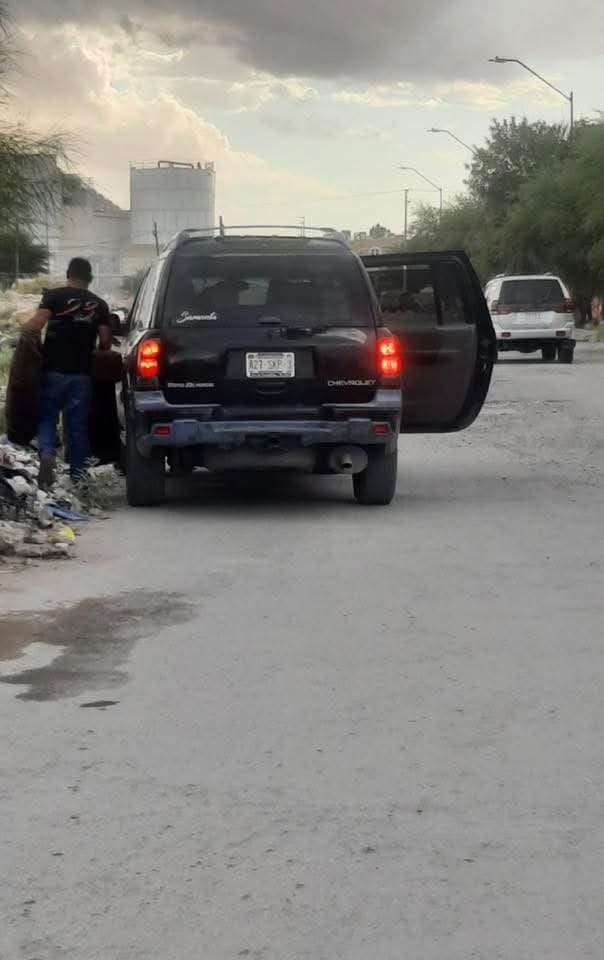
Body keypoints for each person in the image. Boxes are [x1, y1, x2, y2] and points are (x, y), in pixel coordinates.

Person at [27, 257, 112, 489]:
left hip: (52, 370)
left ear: (68, 274)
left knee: (47, 417)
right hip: (82, 375)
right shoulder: (100, 304)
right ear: (90, 277)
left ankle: (46, 453)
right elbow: (105, 343)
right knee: (77, 425)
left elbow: (36, 325)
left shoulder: (54, 296)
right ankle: (79, 477)